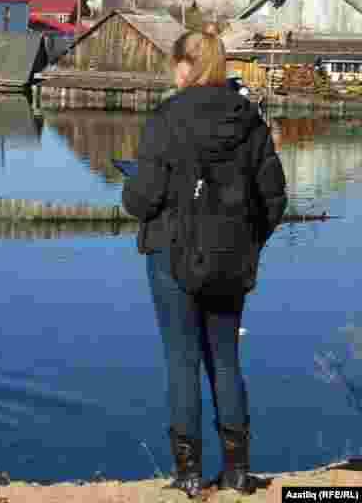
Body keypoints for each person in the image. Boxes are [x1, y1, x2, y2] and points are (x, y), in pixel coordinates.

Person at [122, 28, 288, 497]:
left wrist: (132, 188)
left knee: (182, 362)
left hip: (172, 256)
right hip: (232, 258)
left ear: (183, 66)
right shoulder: (250, 120)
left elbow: (143, 199)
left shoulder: (166, 118)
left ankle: (189, 476)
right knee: (227, 360)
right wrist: (246, 240)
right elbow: (273, 198)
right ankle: (237, 474)